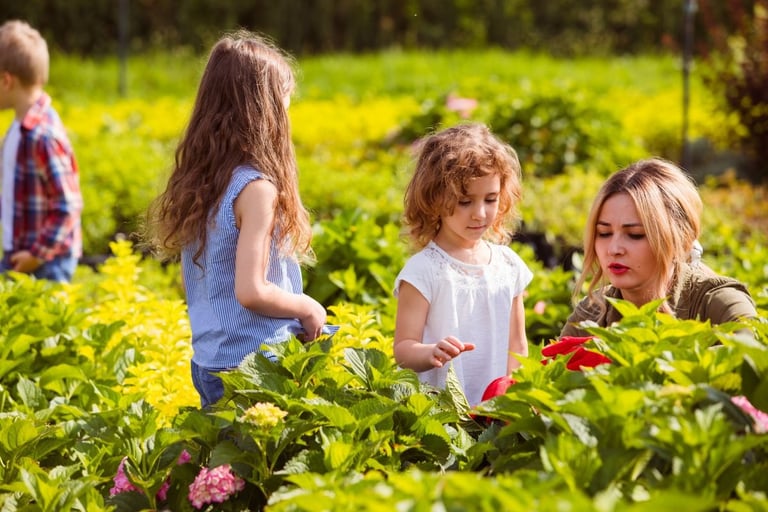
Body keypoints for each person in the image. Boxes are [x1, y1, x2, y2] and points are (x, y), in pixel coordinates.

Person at [147, 30, 326, 408]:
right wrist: (308, 307)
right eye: (284, 105)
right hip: (256, 361)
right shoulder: (256, 189)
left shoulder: (205, 181)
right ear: (267, 114)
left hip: (211, 358)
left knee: (224, 465)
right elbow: (251, 291)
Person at [393, 122, 533, 406]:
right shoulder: (424, 270)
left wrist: (517, 402)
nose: (480, 213)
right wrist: (430, 352)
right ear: (434, 198)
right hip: (441, 413)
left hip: (493, 414)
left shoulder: (508, 266)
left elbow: (517, 348)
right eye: (465, 201)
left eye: (490, 199)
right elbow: (404, 349)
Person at [561, 157, 757, 337]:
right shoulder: (592, 311)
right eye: (604, 233)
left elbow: (756, 356)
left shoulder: (717, 301)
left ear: (681, 238)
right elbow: (551, 370)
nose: (614, 249)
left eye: (635, 235)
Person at [0, 20, 83, 282]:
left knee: (45, 321)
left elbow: (68, 205)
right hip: (20, 252)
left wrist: (36, 254)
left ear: (5, 81)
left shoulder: (42, 135)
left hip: (46, 261)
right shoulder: (17, 128)